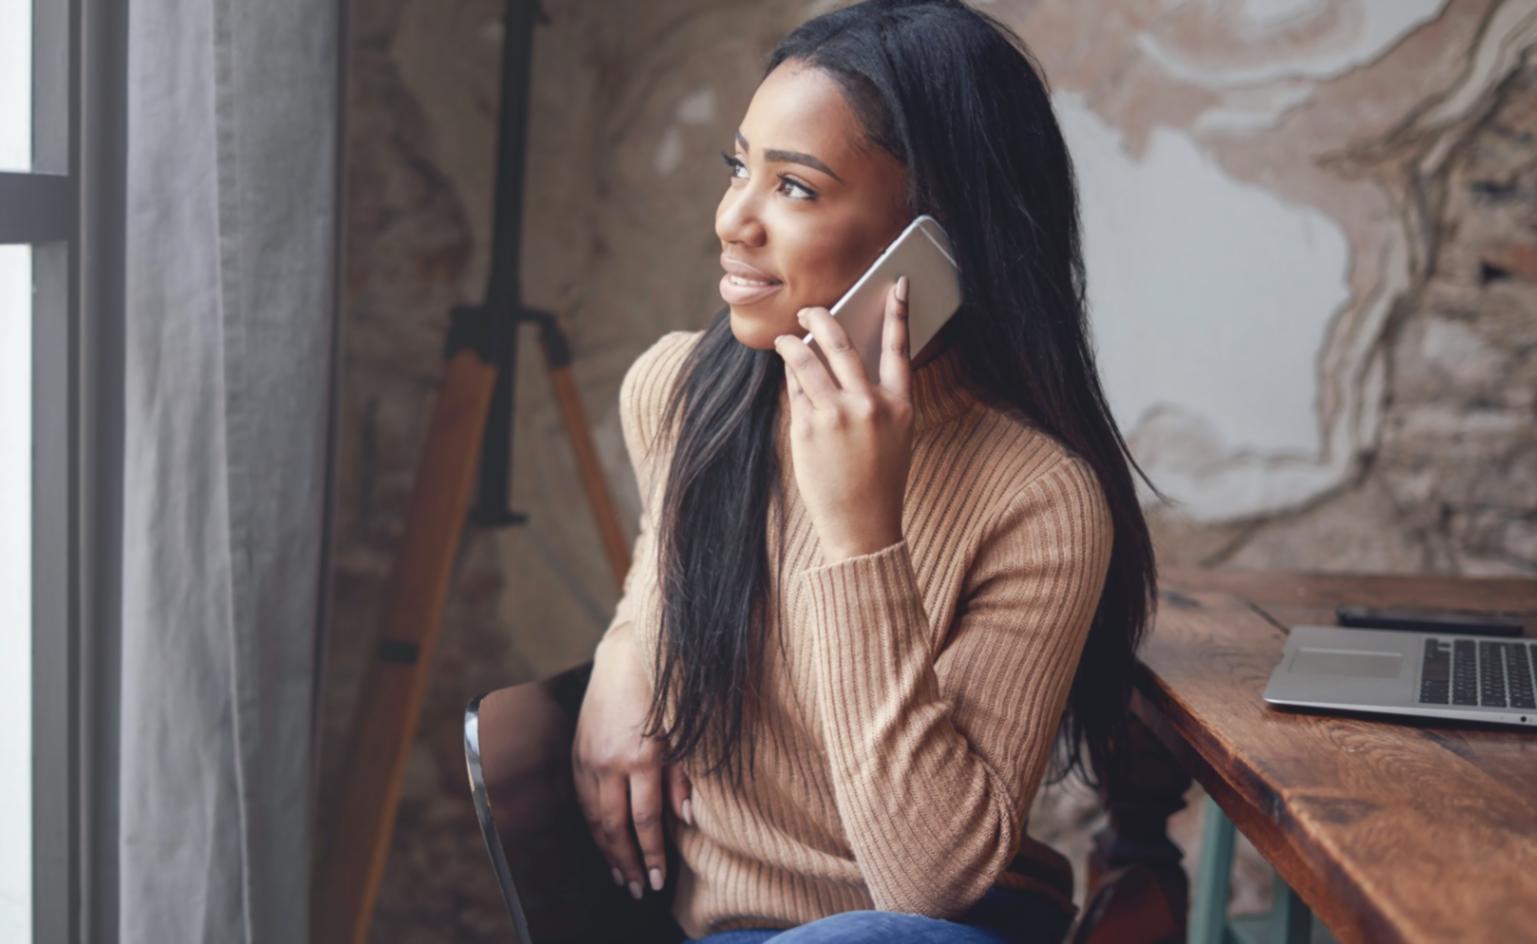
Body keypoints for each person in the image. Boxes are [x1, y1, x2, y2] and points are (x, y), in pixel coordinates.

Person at [571, 1, 1159, 941]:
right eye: (739, 169)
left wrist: (861, 536)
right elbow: (661, 559)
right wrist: (621, 652)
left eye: (795, 189)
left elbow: (927, 886)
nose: (733, 220)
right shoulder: (680, 395)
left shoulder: (1037, 499)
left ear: (933, 240)